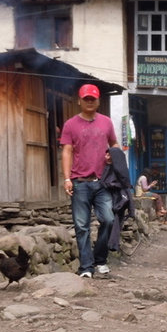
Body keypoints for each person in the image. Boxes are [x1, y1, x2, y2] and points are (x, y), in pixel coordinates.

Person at [61, 84, 119, 278]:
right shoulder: (70, 124)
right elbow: (67, 150)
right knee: (81, 226)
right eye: (86, 98)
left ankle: (100, 259)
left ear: (98, 101)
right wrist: (67, 178)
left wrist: (113, 155)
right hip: (79, 182)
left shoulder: (106, 123)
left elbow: (114, 144)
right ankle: (86, 267)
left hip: (102, 182)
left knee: (109, 220)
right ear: (79, 100)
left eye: (92, 99)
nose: (89, 102)